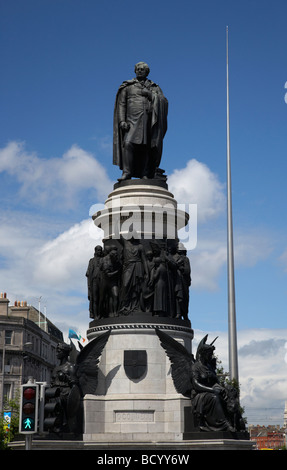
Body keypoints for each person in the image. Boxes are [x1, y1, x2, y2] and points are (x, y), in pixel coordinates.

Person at [113, 62, 168, 181]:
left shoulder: (154, 87)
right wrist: (122, 120)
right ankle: (127, 172)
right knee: (128, 144)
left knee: (146, 147)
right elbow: (122, 104)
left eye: (142, 69)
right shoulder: (128, 87)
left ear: (147, 72)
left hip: (148, 121)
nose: (139, 71)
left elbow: (164, 101)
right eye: (137, 69)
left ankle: (145, 173)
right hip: (131, 121)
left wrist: (150, 95)